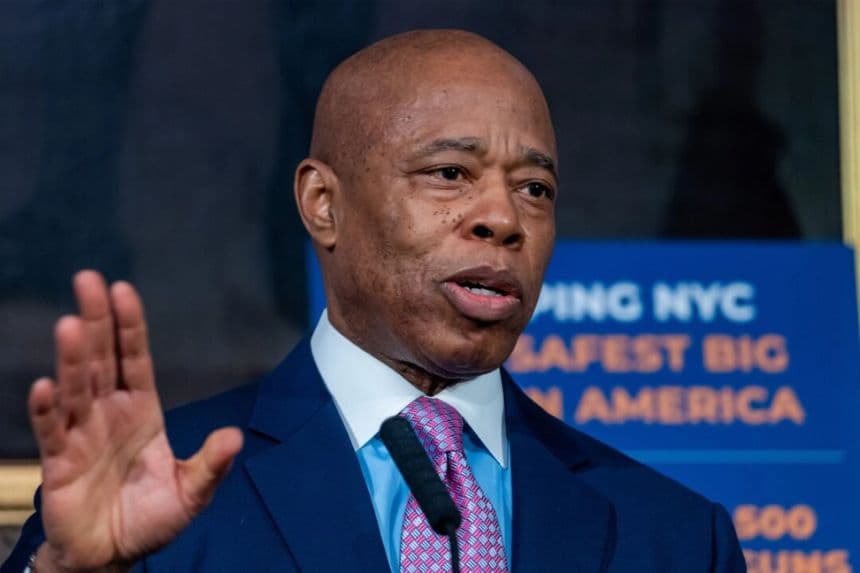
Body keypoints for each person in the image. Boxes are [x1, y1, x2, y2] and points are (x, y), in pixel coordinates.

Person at [3, 30, 745, 572]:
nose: (504, 219)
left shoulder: (676, 536)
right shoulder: (161, 490)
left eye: (534, 188)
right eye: (450, 173)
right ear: (323, 204)